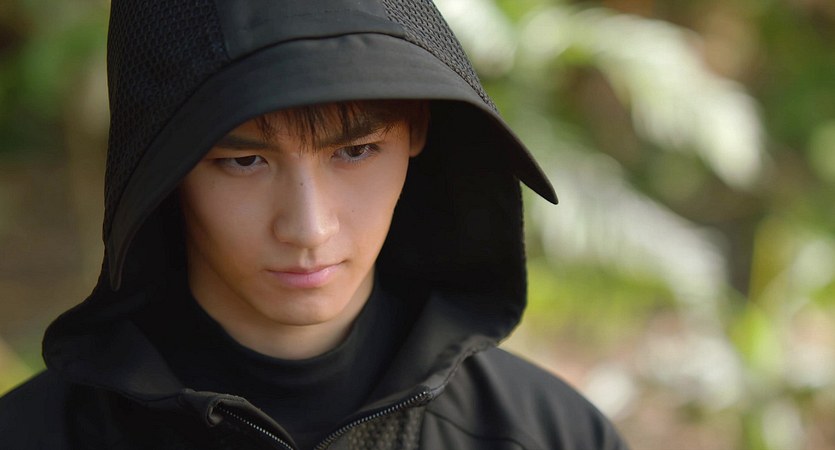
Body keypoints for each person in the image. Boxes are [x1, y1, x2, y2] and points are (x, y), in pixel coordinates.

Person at [0, 1, 629, 448]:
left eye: (355, 151)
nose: (308, 229)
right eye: (244, 161)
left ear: (418, 128)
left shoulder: (551, 434)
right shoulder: (32, 436)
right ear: (162, 169)